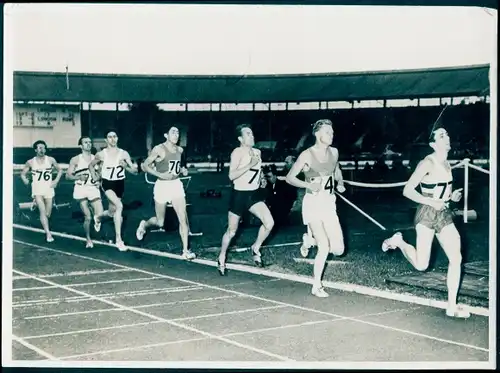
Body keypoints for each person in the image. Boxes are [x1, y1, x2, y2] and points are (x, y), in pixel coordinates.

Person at [382, 127, 469, 318]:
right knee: (422, 265)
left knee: (456, 258)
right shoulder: (427, 163)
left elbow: (441, 193)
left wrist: (451, 198)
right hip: (427, 214)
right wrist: (432, 202)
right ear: (432, 143)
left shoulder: (446, 163)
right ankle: (399, 242)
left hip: (444, 214)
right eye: (442, 136)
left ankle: (452, 306)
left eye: (447, 134)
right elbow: (408, 190)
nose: (447, 138)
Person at [286, 119, 346, 298]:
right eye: (328, 132)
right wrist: (308, 185)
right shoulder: (306, 155)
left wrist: (340, 183)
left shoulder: (334, 152)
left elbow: (336, 170)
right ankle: (317, 285)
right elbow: (290, 178)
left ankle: (308, 241)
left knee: (339, 250)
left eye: (332, 132)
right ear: (318, 134)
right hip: (312, 203)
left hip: (329, 204)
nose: (331, 135)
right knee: (324, 246)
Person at [217, 124, 274, 275]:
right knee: (232, 231)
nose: (252, 136)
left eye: (252, 133)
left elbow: (258, 171)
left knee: (269, 223)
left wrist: (262, 179)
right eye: (248, 134)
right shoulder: (237, 152)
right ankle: (222, 255)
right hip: (239, 195)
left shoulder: (257, 152)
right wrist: (249, 165)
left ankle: (255, 247)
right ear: (240, 139)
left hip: (253, 194)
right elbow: (231, 175)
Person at [136, 126, 196, 260]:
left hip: (176, 185)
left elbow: (177, 167)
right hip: (162, 186)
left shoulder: (180, 150)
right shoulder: (159, 149)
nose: (176, 135)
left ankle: (186, 251)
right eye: (173, 132)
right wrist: (160, 175)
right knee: (160, 222)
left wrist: (183, 171)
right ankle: (144, 225)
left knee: (182, 217)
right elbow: (145, 166)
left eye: (178, 133)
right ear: (166, 135)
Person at [88, 129, 138, 251]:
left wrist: (125, 166)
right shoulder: (101, 154)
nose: (112, 139)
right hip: (107, 184)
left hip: (119, 184)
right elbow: (90, 165)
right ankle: (119, 240)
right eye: (110, 137)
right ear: (106, 140)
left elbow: (135, 171)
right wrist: (95, 176)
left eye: (114, 136)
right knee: (119, 206)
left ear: (117, 138)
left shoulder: (124, 154)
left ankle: (98, 218)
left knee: (112, 212)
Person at [20, 140, 63, 242]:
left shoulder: (51, 160)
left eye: (43, 148)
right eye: (39, 148)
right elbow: (22, 174)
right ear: (35, 150)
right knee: (43, 212)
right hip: (37, 189)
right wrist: (25, 180)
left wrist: (56, 181)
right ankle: (48, 234)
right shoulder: (30, 162)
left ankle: (35, 207)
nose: (42, 150)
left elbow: (60, 170)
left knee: (47, 214)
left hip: (49, 188)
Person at [66, 136, 104, 248]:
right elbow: (68, 176)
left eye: (89, 142)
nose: (88, 144)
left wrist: (99, 180)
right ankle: (88, 239)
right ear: (80, 146)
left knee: (100, 214)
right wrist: (78, 177)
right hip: (81, 189)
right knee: (88, 217)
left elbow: (100, 174)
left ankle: (97, 219)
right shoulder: (75, 159)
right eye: (85, 142)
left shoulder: (96, 158)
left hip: (93, 188)